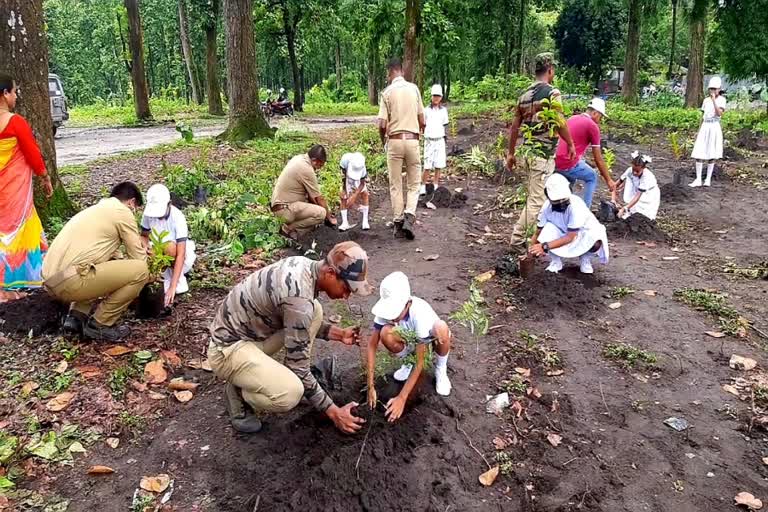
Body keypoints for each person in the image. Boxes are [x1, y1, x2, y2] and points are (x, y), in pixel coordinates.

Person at [207, 241, 374, 434]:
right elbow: (298, 366)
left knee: (315, 310)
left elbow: (296, 322)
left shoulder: (305, 266)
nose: (346, 296)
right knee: (291, 392)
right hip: (226, 349)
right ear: (330, 273)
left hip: (252, 335)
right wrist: (334, 412)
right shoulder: (299, 300)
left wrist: (339, 334)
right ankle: (239, 393)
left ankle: (254, 375)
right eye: (346, 288)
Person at [42, 182, 148, 341]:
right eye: (135, 209)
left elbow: (110, 256)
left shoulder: (96, 211)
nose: (134, 212)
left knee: (97, 263)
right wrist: (150, 276)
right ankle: (100, 325)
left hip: (50, 280)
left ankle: (76, 317)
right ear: (131, 202)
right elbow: (138, 257)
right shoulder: (122, 212)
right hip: (70, 282)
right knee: (141, 270)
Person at [506, 53, 576, 250]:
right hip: (542, 155)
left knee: (534, 197)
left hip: (526, 154)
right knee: (537, 201)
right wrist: (570, 143)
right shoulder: (552, 93)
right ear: (550, 70)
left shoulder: (524, 95)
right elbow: (559, 120)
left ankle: (534, 235)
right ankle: (518, 240)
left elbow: (514, 127)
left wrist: (511, 153)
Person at [365, 271, 452, 423]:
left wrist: (401, 398)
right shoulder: (385, 313)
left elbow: (421, 362)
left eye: (395, 311)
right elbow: (372, 345)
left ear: (407, 304)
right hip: (409, 341)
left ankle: (441, 369)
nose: (391, 317)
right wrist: (370, 385)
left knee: (442, 327)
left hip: (428, 340)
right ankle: (407, 362)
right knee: (386, 332)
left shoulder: (419, 314)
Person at [0, 74, 53, 302]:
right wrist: (45, 176)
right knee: (18, 230)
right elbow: (32, 153)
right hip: (14, 192)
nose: (15, 96)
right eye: (13, 91)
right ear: (4, 94)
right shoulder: (15, 122)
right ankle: (13, 285)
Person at [378, 57, 425, 240]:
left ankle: (398, 223)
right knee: (414, 183)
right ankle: (410, 215)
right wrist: (418, 136)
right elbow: (423, 120)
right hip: (412, 140)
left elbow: (382, 124)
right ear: (402, 71)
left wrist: (384, 141)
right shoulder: (414, 89)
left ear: (390, 72)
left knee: (395, 184)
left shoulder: (387, 92)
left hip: (395, 141)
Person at [528, 174, 609, 275]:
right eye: (557, 201)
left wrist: (544, 246)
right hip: (562, 234)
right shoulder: (546, 208)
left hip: (581, 234)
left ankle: (585, 258)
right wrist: (531, 252)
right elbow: (538, 233)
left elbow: (570, 237)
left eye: (563, 200)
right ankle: (556, 262)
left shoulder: (576, 206)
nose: (561, 203)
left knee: (596, 240)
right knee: (546, 229)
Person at [140, 184, 196, 307]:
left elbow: (181, 254)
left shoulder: (177, 217)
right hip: (157, 255)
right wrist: (145, 247)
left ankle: (175, 280)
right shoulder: (148, 215)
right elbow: (144, 235)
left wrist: (172, 286)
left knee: (170, 247)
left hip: (178, 257)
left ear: (169, 204)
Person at [554, 98, 615, 208]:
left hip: (555, 161)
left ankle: (567, 208)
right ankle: (585, 211)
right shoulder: (592, 126)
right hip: (567, 163)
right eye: (600, 116)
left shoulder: (572, 118)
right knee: (592, 176)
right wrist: (609, 180)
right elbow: (598, 158)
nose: (599, 120)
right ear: (595, 113)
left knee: (571, 178)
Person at [271, 144, 336, 238]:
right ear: (315, 161)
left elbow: (311, 196)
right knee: (321, 213)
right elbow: (319, 199)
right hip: (285, 210)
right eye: (320, 165)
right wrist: (329, 217)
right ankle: (288, 229)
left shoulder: (298, 158)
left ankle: (292, 227)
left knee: (316, 210)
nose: (318, 169)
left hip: (280, 206)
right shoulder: (307, 170)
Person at [690, 76, 726, 188]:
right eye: (711, 89)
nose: (713, 91)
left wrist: (714, 100)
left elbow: (719, 113)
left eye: (715, 89)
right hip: (705, 126)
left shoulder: (722, 100)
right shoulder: (706, 100)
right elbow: (702, 116)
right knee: (699, 152)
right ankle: (698, 178)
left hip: (714, 126)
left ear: (719, 89)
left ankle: (708, 179)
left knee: (712, 153)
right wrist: (699, 129)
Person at [612, 151, 660, 221]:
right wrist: (613, 200)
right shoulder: (629, 170)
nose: (634, 172)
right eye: (633, 170)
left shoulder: (646, 177)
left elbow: (637, 196)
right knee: (632, 211)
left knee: (645, 216)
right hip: (637, 189)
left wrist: (624, 208)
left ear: (643, 168)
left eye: (637, 171)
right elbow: (615, 185)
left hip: (649, 195)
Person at [421, 84, 449, 195]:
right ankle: (423, 186)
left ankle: (435, 185)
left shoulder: (443, 111)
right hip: (429, 140)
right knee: (427, 165)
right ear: (431, 97)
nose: (436, 98)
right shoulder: (426, 110)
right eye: (434, 96)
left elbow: (444, 124)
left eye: (438, 96)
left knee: (439, 164)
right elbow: (422, 124)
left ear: (441, 97)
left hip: (439, 139)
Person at [338, 152, 370, 232]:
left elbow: (362, 183)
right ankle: (344, 222)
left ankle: (365, 221)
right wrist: (344, 190)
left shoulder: (363, 169)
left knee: (365, 194)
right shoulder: (344, 161)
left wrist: (354, 196)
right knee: (343, 198)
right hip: (347, 178)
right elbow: (343, 177)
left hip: (359, 181)